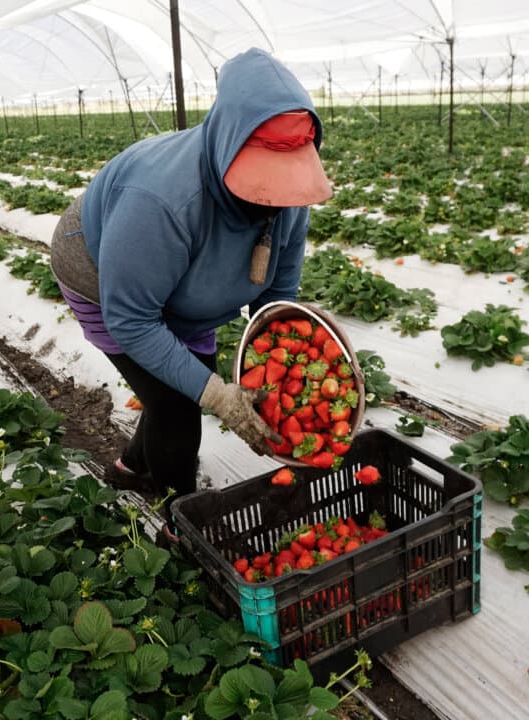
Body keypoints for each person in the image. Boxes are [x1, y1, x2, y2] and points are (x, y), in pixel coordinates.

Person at [51, 48, 332, 537]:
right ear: (228, 144)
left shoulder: (289, 197)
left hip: (181, 288)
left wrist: (288, 359)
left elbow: (277, 295)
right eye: (262, 178)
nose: (275, 194)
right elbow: (134, 319)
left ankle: (129, 467)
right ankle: (182, 521)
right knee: (179, 406)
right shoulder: (161, 198)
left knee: (182, 381)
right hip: (103, 277)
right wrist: (219, 396)